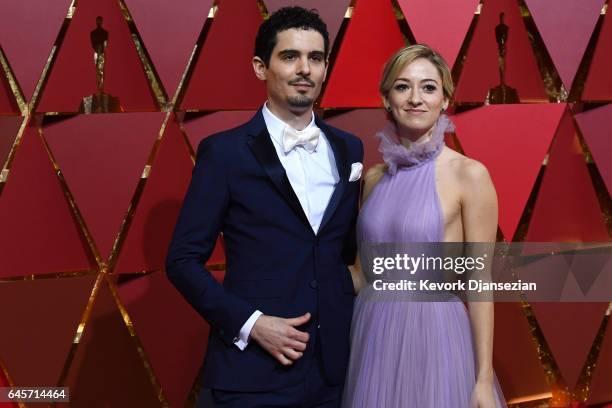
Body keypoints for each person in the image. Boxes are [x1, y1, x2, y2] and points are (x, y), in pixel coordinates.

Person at [165, 6, 363, 408]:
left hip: (334, 372)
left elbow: (343, 255)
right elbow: (182, 261)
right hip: (253, 374)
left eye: (316, 57)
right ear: (261, 67)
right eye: (290, 56)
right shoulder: (224, 153)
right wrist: (251, 324)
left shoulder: (350, 149)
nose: (304, 69)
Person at [342, 44, 506, 407]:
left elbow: (479, 282)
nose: (415, 98)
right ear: (387, 98)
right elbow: (360, 273)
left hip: (435, 338)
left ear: (445, 99)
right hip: (372, 337)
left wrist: (481, 379)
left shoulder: (469, 175)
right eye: (403, 87)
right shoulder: (373, 178)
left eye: (429, 87)